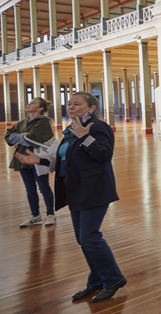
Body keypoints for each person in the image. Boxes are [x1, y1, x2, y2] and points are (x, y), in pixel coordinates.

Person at [16, 92, 127, 303]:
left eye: (77, 104)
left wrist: (85, 136)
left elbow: (104, 154)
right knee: (82, 239)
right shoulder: (70, 129)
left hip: (95, 189)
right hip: (75, 190)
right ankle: (96, 279)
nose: (71, 107)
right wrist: (38, 159)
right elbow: (64, 159)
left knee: (89, 237)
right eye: (69, 104)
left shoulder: (97, 127)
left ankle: (113, 279)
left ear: (91, 108)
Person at [6, 98, 56, 227]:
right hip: (23, 159)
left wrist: (22, 137)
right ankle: (35, 216)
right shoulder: (23, 122)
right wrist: (22, 136)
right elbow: (9, 136)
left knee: (44, 187)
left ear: (40, 108)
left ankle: (51, 214)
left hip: (38, 158)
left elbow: (32, 139)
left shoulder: (44, 121)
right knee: (30, 189)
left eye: (33, 103)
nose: (28, 104)